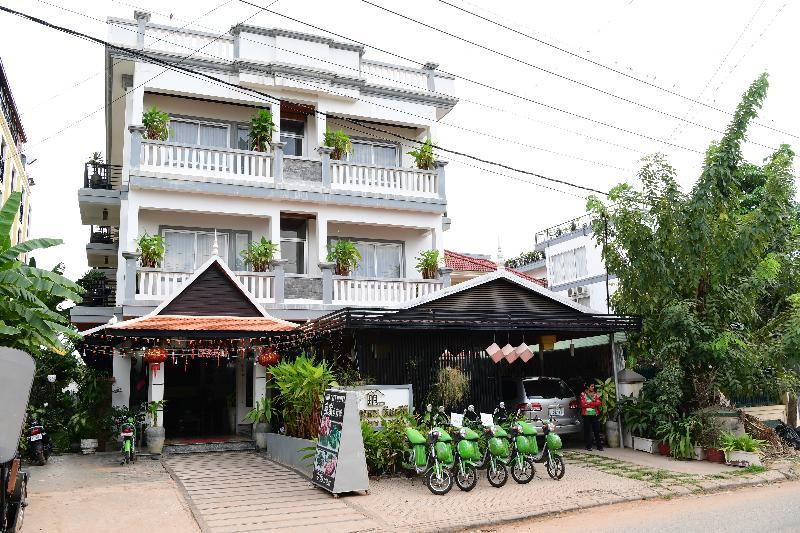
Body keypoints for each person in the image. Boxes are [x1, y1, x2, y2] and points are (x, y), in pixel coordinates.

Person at [581, 382, 603, 451]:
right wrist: (593, 404)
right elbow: (583, 404)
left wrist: (589, 403)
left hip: (594, 415)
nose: (593, 388)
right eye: (592, 386)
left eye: (593, 386)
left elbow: (599, 403)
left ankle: (599, 447)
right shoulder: (583, 394)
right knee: (587, 431)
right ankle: (588, 446)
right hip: (586, 415)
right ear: (588, 387)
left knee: (596, 430)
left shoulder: (595, 394)